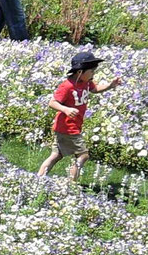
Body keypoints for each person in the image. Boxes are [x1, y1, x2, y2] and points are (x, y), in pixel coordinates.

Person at [40, 49, 121, 182]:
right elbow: (52, 102)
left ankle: (39, 178)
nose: (93, 75)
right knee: (83, 155)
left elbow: (95, 89)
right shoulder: (67, 86)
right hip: (68, 126)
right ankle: (71, 183)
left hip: (71, 126)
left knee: (57, 155)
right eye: (91, 72)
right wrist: (65, 109)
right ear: (79, 72)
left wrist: (110, 86)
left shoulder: (86, 82)